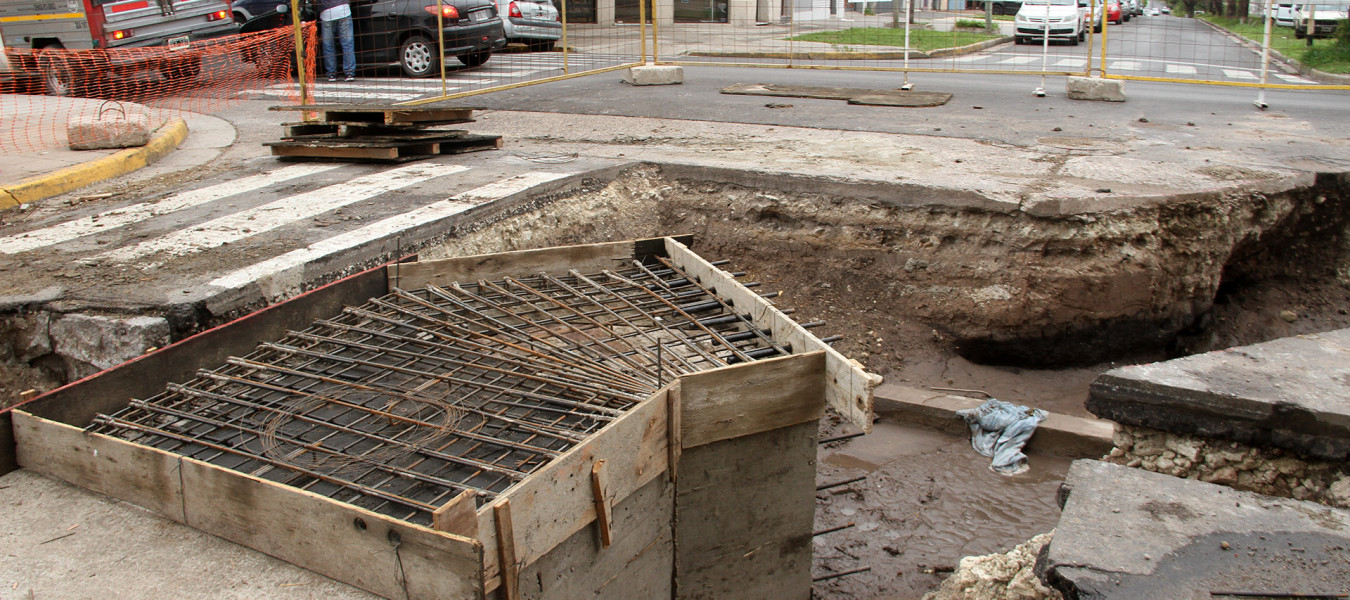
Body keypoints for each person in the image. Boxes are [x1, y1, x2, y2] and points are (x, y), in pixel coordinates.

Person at [318, 0, 355, 81]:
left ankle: (331, 73)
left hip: (326, 13)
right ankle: (349, 72)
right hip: (343, 10)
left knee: (328, 45)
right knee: (347, 44)